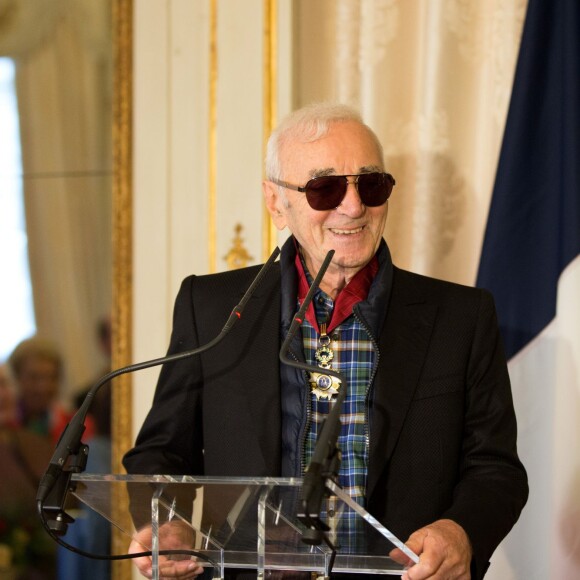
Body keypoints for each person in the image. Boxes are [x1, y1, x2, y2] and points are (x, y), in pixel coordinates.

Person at [123, 103, 528, 579]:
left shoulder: (461, 317)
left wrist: (461, 531)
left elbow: (496, 470)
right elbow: (160, 454)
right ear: (277, 203)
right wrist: (165, 523)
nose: (353, 207)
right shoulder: (210, 307)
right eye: (325, 188)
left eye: (371, 184)